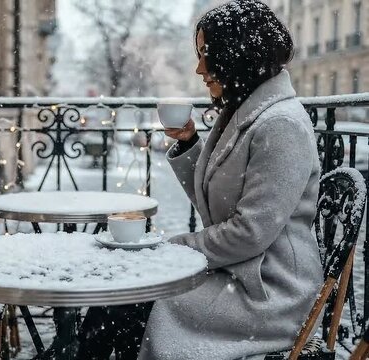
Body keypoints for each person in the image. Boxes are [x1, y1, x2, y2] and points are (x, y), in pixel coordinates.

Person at [138, 1, 323, 359]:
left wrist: (173, 252)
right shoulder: (244, 112)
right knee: (130, 295)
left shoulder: (280, 126)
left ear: (239, 55)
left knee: (141, 299)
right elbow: (219, 202)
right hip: (238, 275)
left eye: (207, 54)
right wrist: (190, 142)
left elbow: (249, 233)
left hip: (270, 294)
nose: (199, 68)